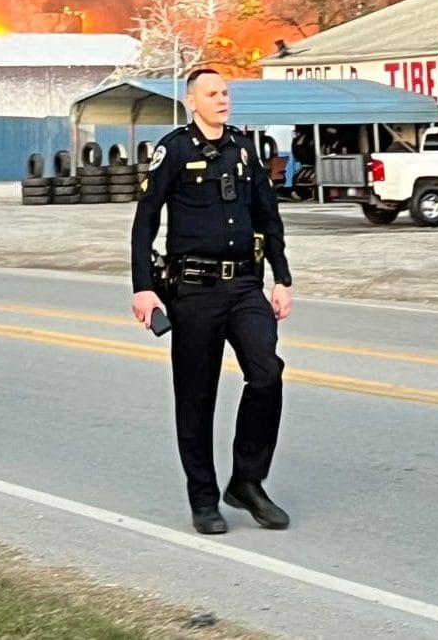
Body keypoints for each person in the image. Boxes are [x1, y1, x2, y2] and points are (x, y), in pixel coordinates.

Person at [131, 65, 293, 537]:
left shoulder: (243, 148)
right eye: (212, 94)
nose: (222, 99)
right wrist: (143, 287)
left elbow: (268, 215)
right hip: (195, 290)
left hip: (243, 285)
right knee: (196, 396)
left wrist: (282, 278)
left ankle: (247, 481)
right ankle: (203, 499)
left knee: (267, 373)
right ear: (192, 102)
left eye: (225, 92)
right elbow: (145, 221)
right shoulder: (175, 150)